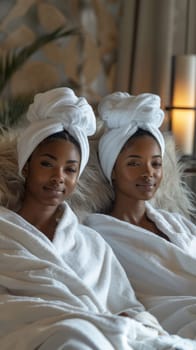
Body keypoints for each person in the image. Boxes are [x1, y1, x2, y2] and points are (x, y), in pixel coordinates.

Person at [1, 87, 194, 349]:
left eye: (70, 169)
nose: (59, 177)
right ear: (26, 167)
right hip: (36, 323)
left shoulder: (90, 243)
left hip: (91, 326)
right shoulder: (5, 229)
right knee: (74, 335)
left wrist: (135, 319)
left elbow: (126, 303)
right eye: (47, 164)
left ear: (77, 177)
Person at [84, 91, 196, 341]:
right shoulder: (98, 233)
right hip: (166, 317)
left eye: (155, 164)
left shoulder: (176, 223)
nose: (148, 174)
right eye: (134, 163)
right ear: (113, 169)